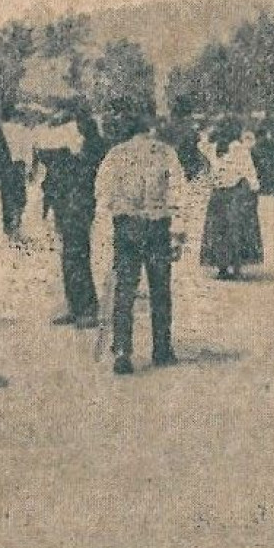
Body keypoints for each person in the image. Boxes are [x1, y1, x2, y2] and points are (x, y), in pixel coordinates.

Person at [94, 104, 188, 375]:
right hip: (157, 226)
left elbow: (102, 192)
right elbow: (178, 192)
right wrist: (178, 233)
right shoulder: (165, 153)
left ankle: (122, 351)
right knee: (160, 289)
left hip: (127, 226)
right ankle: (162, 349)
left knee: (124, 290)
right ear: (149, 128)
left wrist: (110, 225)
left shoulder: (116, 154)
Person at [42, 111, 103, 328]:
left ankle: (87, 308)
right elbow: (50, 179)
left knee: (77, 253)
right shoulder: (67, 153)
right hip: (65, 206)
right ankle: (75, 305)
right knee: (69, 255)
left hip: (80, 207)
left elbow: (90, 178)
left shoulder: (92, 148)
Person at [199, 120, 264, 280]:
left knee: (221, 231)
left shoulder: (215, 148)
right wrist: (255, 189)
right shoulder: (236, 148)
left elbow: (201, 144)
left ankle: (224, 267)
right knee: (235, 230)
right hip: (235, 194)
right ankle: (234, 267)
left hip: (223, 194)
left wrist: (207, 133)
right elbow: (249, 171)